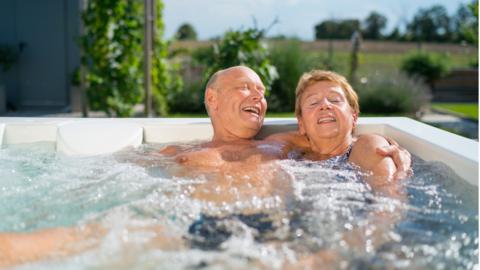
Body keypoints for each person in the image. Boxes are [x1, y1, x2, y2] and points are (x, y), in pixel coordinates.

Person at [0, 66, 410, 267]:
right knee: (87, 236)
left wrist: (389, 158)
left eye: (263, 92)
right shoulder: (174, 152)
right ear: (212, 98)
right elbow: (100, 175)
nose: (259, 97)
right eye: (245, 87)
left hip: (268, 232)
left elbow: (337, 138)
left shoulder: (283, 143)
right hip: (186, 225)